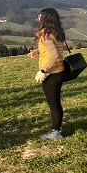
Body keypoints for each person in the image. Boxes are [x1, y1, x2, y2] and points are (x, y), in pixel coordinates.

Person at [29, 8, 67, 139]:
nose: (38, 17)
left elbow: (54, 56)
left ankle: (56, 132)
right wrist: (37, 52)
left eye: (40, 15)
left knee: (53, 104)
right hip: (59, 71)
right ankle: (58, 128)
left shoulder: (45, 35)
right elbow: (53, 49)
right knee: (56, 102)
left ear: (45, 18)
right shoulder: (55, 32)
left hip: (52, 74)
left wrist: (43, 70)